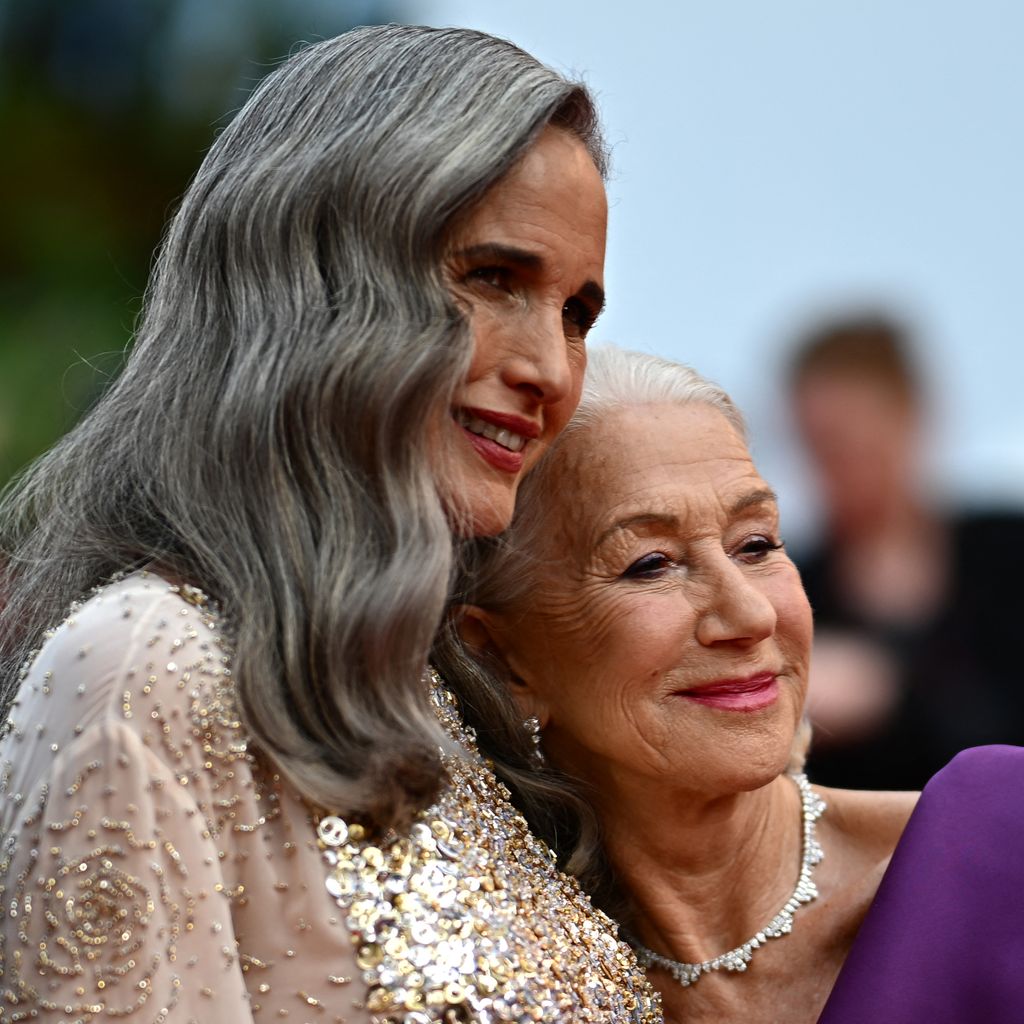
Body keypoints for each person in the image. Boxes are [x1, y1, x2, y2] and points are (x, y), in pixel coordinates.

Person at [0, 27, 661, 1023]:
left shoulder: (457, 694)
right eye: (493, 279)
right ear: (313, 278)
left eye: (575, 312)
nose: (551, 371)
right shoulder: (143, 671)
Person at [436, 345, 1024, 1023]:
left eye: (756, 544)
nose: (751, 613)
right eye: (651, 564)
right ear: (499, 658)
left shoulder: (1001, 849)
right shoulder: (491, 983)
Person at [788, 314, 1024, 790]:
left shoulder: (1007, 550)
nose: (835, 471)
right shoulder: (794, 586)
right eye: (816, 448)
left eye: (852, 445)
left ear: (910, 417)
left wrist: (888, 687)